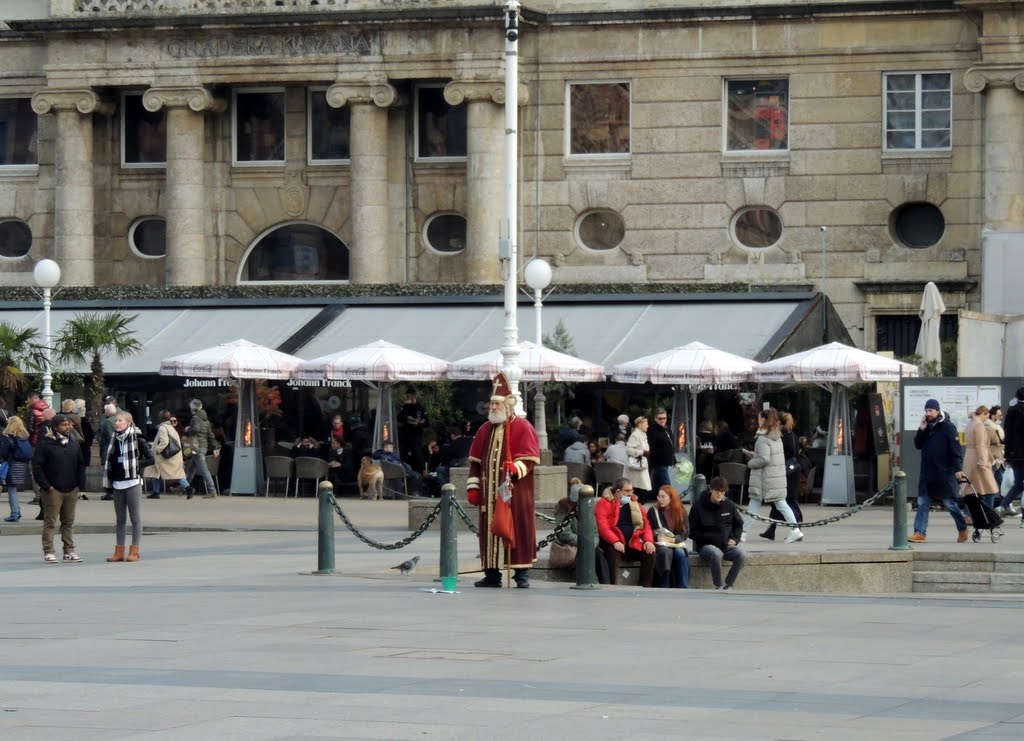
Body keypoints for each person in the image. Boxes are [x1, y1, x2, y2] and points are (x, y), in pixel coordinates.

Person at [466, 372, 541, 588]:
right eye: (491, 404)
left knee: (518, 529)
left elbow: (530, 459)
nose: (493, 408)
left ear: (508, 405)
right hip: (488, 496)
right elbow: (475, 463)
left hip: (515, 493)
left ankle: (521, 575)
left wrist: (515, 468)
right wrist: (473, 488)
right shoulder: (484, 429)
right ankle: (492, 574)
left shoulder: (523, 427)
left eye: (497, 404)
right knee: (489, 532)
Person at [911, 398, 968, 543]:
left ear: (937, 410)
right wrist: (921, 429)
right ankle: (920, 532)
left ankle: (963, 528)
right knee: (923, 502)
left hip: (943, 473)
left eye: (930, 410)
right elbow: (918, 444)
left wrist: (958, 469)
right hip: (927, 473)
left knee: (949, 504)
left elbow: (956, 449)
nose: (928, 413)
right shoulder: (927, 427)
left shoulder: (948, 427)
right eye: (926, 411)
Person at [31, 414, 86, 563]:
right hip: (53, 490)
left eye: (69, 425)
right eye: (64, 425)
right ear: (55, 427)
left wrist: (80, 485)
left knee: (68, 522)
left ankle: (69, 550)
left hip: (71, 488)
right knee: (50, 521)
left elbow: (81, 464)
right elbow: (37, 466)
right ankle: (48, 551)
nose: (68, 427)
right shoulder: (45, 444)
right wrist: (46, 486)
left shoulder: (73, 443)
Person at [743, 408, 803, 543]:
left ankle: (743, 532)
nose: (757, 420)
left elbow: (764, 459)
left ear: (763, 420)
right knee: (781, 504)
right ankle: (795, 529)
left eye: (759, 418)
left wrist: (751, 462)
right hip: (776, 476)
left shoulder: (762, 438)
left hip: (765, 477)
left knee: (755, 503)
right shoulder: (777, 437)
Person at [102, 411, 154, 562]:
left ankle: (134, 550)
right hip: (118, 483)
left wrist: (135, 465)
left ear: (129, 423)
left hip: (132, 482)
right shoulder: (114, 439)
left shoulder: (138, 438)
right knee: (120, 519)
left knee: (135, 517)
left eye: (120, 421)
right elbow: (110, 461)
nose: (117, 423)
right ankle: (119, 551)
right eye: (116, 421)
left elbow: (151, 459)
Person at [595, 477, 656, 587]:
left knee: (650, 553)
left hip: (632, 543)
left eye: (631, 490)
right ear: (618, 491)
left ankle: (645, 586)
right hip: (614, 543)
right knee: (612, 553)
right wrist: (615, 541)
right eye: (627, 491)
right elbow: (603, 526)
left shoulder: (635, 504)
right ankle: (612, 585)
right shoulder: (603, 503)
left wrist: (648, 541)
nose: (630, 494)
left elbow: (645, 525)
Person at [689, 476, 747, 590]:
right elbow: (691, 531)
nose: (719, 494)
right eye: (717, 491)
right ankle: (718, 585)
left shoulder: (729, 505)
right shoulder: (698, 506)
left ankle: (728, 584)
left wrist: (734, 539)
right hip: (705, 546)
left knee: (742, 555)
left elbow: (739, 525)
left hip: (725, 545)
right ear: (711, 490)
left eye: (722, 492)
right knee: (716, 554)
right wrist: (707, 538)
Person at [761, 411, 804, 540]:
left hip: (787, 473)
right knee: (779, 501)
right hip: (789, 471)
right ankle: (772, 529)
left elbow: (784, 455)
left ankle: (797, 528)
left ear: (778, 422)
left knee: (788, 501)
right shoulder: (791, 435)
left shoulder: (784, 437)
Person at [647, 485, 690, 588]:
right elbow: (648, 529)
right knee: (666, 553)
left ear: (671, 497)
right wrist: (657, 537)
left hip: (675, 542)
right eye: (659, 496)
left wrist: (676, 538)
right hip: (661, 543)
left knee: (679, 553)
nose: (660, 499)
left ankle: (683, 586)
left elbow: (685, 532)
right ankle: (664, 584)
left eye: (663, 497)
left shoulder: (681, 511)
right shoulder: (653, 511)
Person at [143, 410, 193, 500]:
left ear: (160, 418)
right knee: (158, 472)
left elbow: (164, 441)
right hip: (173, 456)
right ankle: (156, 492)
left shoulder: (163, 428)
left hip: (164, 457)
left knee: (171, 473)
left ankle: (188, 488)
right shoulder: (171, 428)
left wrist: (157, 450)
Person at [963, 406, 999, 510]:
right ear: (983, 413)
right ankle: (989, 515)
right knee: (990, 488)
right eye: (986, 416)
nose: (986, 419)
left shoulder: (970, 423)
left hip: (969, 457)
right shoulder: (979, 425)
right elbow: (981, 445)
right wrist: (983, 462)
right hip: (978, 458)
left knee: (971, 488)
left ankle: (968, 514)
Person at [186, 399, 220, 498]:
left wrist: (188, 430)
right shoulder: (205, 419)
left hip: (197, 446)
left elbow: (195, 430)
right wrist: (215, 447)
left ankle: (212, 490)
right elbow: (210, 434)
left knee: (204, 470)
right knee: (191, 469)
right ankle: (183, 487)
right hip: (203, 446)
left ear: (193, 407)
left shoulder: (195, 418)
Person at [2, 416, 33, 523]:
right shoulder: (24, 437)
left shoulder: (9, 438)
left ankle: (14, 513)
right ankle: (17, 511)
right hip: (22, 465)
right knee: (13, 489)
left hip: (12, 464)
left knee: (11, 490)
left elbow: (4, 453)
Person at [998, 388, 1024, 515]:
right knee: (1020, 484)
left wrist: (1008, 454)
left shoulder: (1010, 412)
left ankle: (1002, 506)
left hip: (1013, 456)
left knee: (1019, 484)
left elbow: (1007, 434)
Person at [397, 387, 428, 473]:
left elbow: (426, 421)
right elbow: (399, 417)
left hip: (416, 435)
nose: (407, 398)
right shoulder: (405, 407)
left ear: (413, 396)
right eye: (406, 397)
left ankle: (420, 472)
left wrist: (420, 422)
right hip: (406, 436)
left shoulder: (420, 407)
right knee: (405, 456)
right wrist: (407, 417)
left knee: (417, 455)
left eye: (408, 396)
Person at [648, 407, 675, 495]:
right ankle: (671, 499)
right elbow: (653, 445)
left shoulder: (667, 429)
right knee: (666, 484)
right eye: (660, 418)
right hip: (658, 461)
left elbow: (670, 445)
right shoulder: (652, 430)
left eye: (664, 418)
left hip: (664, 461)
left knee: (657, 484)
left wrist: (673, 459)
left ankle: (656, 496)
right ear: (655, 418)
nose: (662, 420)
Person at [96, 398, 120, 500]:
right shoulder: (106, 417)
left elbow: (111, 437)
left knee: (109, 469)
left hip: (110, 448)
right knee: (110, 469)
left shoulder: (111, 420)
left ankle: (111, 492)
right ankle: (111, 491)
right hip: (110, 447)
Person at [624, 416, 652, 502]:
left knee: (643, 492)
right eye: (646, 424)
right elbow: (628, 450)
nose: (647, 426)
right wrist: (641, 452)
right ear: (640, 424)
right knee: (641, 492)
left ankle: (636, 508)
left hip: (642, 466)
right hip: (635, 468)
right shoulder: (635, 435)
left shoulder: (643, 435)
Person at [987, 405, 1006, 498]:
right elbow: (986, 444)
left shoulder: (996, 427)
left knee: (1002, 482)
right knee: (988, 484)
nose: (1001, 417)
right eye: (999, 415)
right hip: (993, 459)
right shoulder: (989, 427)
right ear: (993, 416)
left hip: (999, 459)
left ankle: (1005, 505)